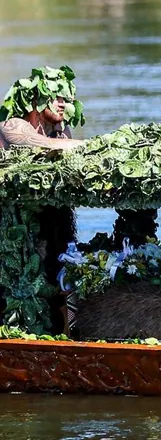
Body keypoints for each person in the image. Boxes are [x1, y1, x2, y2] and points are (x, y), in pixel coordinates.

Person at [0, 66, 86, 332]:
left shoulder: (61, 131)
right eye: (57, 96)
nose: (64, 103)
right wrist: (84, 145)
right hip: (13, 226)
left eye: (67, 98)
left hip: (50, 223)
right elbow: (41, 145)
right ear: (35, 100)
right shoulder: (13, 125)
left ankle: (65, 334)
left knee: (63, 276)